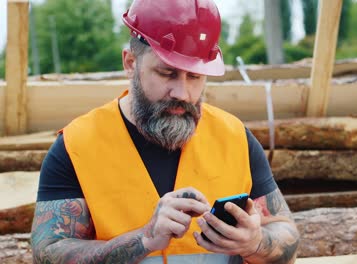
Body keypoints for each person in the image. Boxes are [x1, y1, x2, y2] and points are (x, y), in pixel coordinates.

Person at [30, 0, 300, 263]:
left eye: (194, 77)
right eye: (167, 73)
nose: (182, 93)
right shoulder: (78, 145)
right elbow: (48, 252)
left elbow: (285, 231)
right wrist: (144, 239)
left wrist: (255, 243)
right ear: (130, 63)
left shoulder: (234, 137)